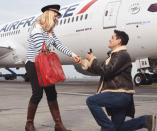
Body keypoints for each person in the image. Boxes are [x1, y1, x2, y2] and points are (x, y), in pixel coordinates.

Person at [80, 30, 156, 131]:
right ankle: (145, 121)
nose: (110, 39)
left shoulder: (122, 55)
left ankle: (108, 127)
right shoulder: (114, 56)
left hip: (119, 95)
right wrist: (86, 64)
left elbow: (106, 71)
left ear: (119, 41)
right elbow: (102, 70)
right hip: (120, 96)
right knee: (118, 127)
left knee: (91, 101)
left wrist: (93, 59)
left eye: (112, 38)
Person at [25, 4, 80, 131]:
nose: (57, 19)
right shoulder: (36, 29)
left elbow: (58, 44)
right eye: (55, 16)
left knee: (52, 93)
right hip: (34, 63)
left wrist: (72, 54)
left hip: (46, 64)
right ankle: (29, 124)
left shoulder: (49, 31)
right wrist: (50, 36)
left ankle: (58, 124)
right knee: (37, 94)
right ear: (49, 16)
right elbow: (41, 48)